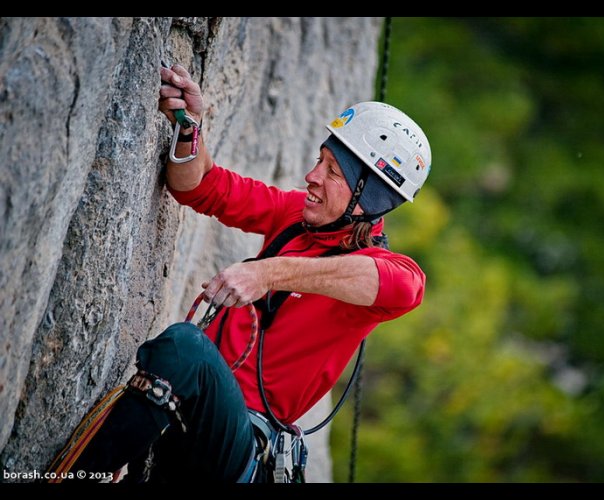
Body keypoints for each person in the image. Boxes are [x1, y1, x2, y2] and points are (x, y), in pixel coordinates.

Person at [55, 63, 432, 483]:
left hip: (242, 453)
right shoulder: (295, 217)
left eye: (332, 172)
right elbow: (199, 186)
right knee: (187, 356)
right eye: (318, 161)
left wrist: (268, 274)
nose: (312, 177)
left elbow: (403, 287)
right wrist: (188, 128)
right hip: (194, 422)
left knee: (186, 347)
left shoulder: (386, 273)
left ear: (367, 199)